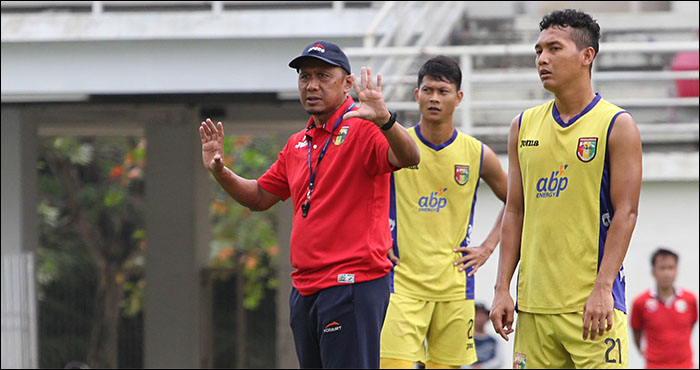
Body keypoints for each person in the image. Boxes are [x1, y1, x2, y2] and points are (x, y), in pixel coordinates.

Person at [199, 40, 420, 368]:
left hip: (352, 283)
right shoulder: (297, 143)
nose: (311, 85)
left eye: (322, 76)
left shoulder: (365, 126)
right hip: (306, 286)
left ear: (347, 84)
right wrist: (220, 171)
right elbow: (259, 197)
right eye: (304, 77)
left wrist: (385, 120)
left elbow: (410, 157)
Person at [489, 9, 642, 369]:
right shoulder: (522, 126)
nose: (542, 59)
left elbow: (627, 212)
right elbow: (515, 211)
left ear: (587, 56)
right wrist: (501, 290)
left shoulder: (616, 125)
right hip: (533, 310)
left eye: (554, 48)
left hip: (593, 308)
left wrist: (603, 287)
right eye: (539, 50)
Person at [379, 56, 507, 369]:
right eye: (428, 90)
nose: (434, 98)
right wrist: (375, 240)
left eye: (443, 91)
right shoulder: (396, 145)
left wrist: (488, 247)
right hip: (401, 285)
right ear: (416, 94)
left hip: (454, 288)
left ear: (458, 97)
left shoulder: (477, 154)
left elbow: (517, 201)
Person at [630, 248, 698, 369]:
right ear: (653, 271)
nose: (666, 273)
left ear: (676, 270)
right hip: (654, 366)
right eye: (662, 268)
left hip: (685, 365)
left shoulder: (690, 300)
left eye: (670, 268)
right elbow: (636, 332)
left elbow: (690, 326)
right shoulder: (641, 302)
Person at [464, 303, 503, 369]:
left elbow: (499, 360)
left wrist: (482, 367)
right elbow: (458, 359)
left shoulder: (493, 340)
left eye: (482, 315)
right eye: (477, 315)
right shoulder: (465, 339)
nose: (479, 318)